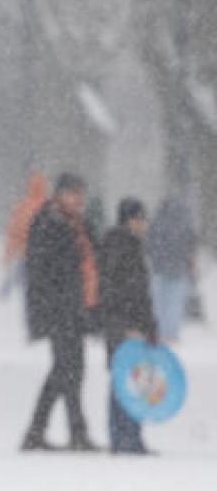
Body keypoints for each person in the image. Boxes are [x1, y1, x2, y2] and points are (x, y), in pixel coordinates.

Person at [20, 174, 101, 452]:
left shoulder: (79, 225)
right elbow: (42, 272)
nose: (78, 199)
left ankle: (36, 431)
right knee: (70, 371)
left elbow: (92, 262)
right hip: (60, 311)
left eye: (81, 194)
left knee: (63, 372)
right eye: (73, 193)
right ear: (59, 194)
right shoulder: (49, 224)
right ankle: (76, 432)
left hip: (76, 309)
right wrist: (51, 308)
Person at [99, 199, 158, 455]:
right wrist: (129, 325)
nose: (145, 224)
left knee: (130, 379)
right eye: (141, 218)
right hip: (124, 327)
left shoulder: (126, 245)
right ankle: (124, 437)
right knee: (126, 380)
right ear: (130, 219)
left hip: (128, 326)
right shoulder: (122, 246)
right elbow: (121, 291)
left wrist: (149, 326)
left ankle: (129, 436)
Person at [147, 196, 197, 343]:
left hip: (159, 269)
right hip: (179, 270)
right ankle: (172, 333)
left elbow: (148, 245)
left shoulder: (156, 223)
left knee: (159, 304)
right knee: (175, 304)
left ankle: (161, 332)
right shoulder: (184, 225)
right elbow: (191, 245)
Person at [1, 173, 48, 299]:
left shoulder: (22, 206)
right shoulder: (48, 206)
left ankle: (8, 293)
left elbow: (13, 231)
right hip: (43, 253)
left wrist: (8, 254)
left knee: (21, 281)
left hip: (23, 252)